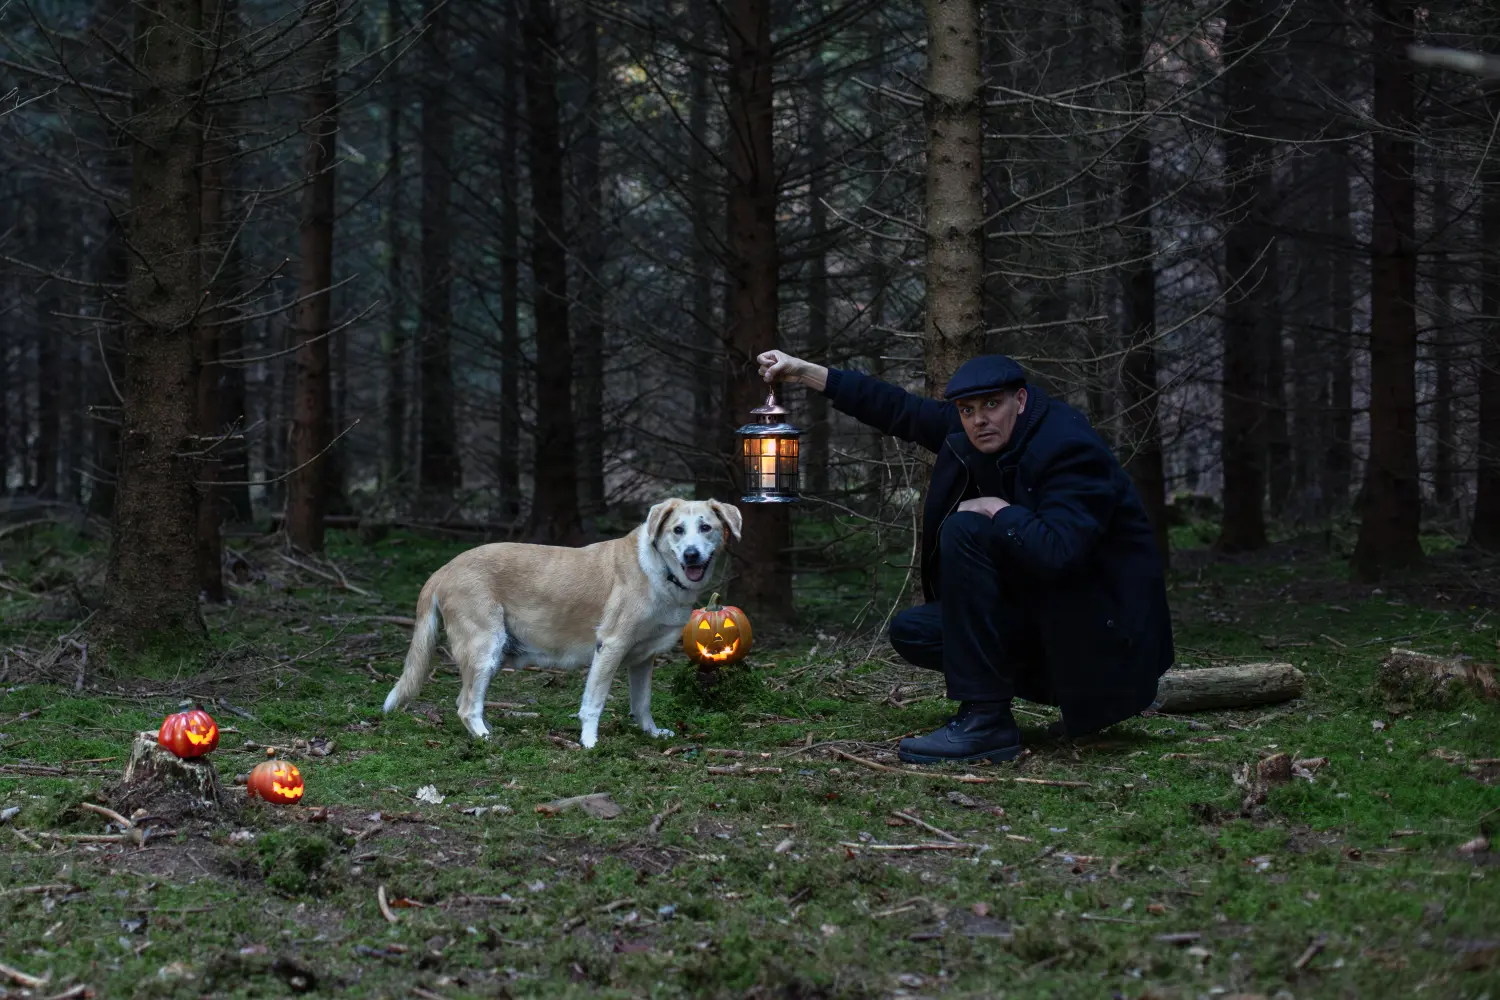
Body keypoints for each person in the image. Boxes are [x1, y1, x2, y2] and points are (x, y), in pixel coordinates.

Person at [757, 349, 1174, 763]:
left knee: (967, 527)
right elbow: (899, 409)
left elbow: (1058, 551)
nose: (979, 419)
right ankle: (1015, 704)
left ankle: (987, 721)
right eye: (967, 409)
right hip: (1052, 616)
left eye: (992, 404)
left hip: (1107, 638)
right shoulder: (973, 431)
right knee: (916, 630)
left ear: (1021, 400)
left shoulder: (1067, 447)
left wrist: (998, 509)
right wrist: (805, 372)